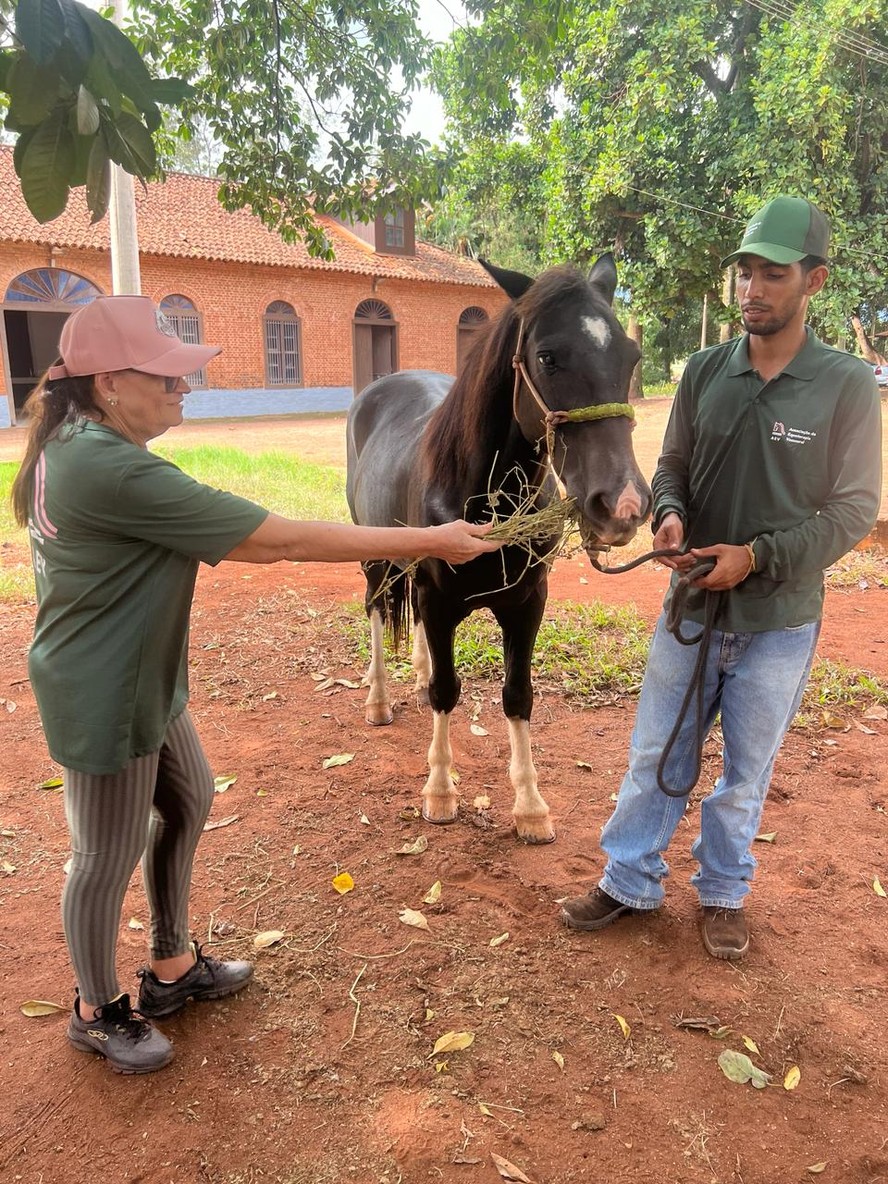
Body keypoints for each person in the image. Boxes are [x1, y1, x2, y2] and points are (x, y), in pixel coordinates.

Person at [11, 295, 501, 1074]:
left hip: (144, 673)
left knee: (191, 797)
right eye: (166, 377)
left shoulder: (72, 442)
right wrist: (431, 539)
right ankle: (96, 1008)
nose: (184, 389)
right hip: (102, 690)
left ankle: (170, 965)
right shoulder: (108, 468)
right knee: (103, 855)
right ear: (107, 383)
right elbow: (277, 541)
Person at [561, 196, 882, 960]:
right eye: (745, 273)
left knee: (746, 771)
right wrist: (670, 517)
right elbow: (671, 469)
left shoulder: (843, 386)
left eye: (773, 274)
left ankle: (724, 890)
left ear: (816, 281)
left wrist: (757, 556)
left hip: (778, 621)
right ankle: (630, 877)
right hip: (690, 609)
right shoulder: (706, 370)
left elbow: (855, 511)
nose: (752, 290)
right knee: (655, 753)